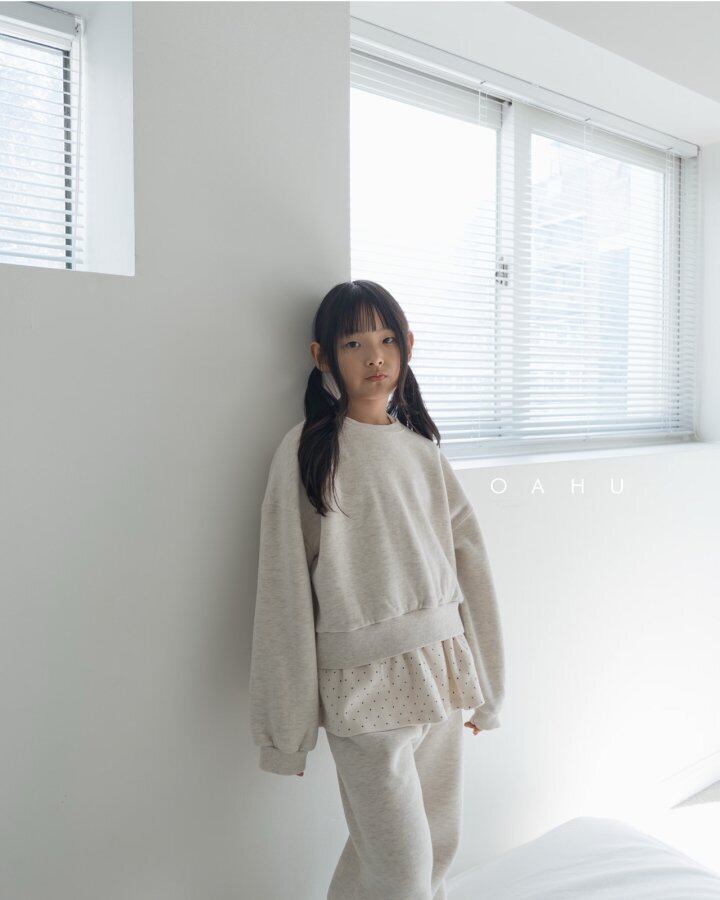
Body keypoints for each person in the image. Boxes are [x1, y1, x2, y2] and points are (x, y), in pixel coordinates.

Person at [249, 280, 505, 900]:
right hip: (362, 684)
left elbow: (471, 565)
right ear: (322, 356)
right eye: (354, 343)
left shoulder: (423, 453)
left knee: (435, 849)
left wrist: (487, 686)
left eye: (387, 339)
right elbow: (284, 587)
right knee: (400, 871)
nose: (374, 356)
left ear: (408, 344)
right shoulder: (309, 451)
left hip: (441, 669)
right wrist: (286, 730)